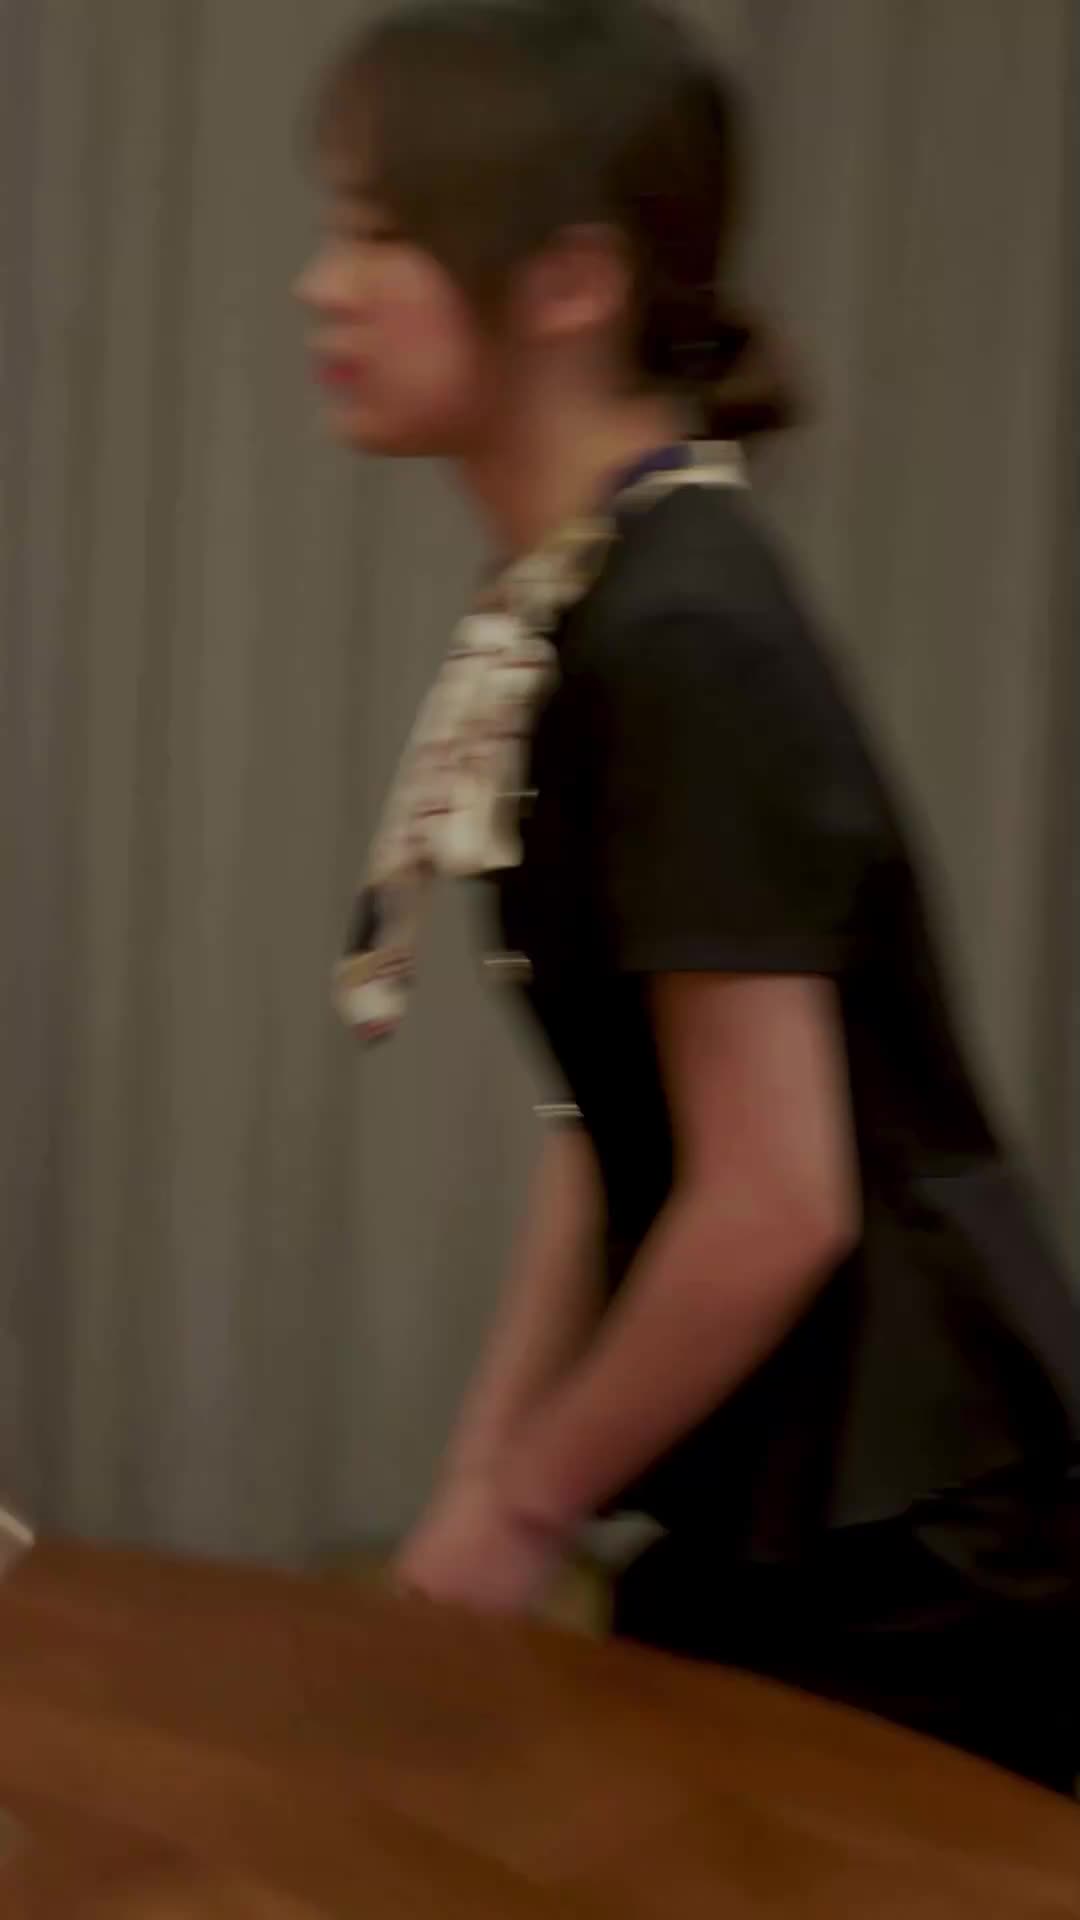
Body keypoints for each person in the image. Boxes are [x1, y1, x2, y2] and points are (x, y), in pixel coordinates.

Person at [296, 0, 1080, 1793]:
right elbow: (617, 1125)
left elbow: (775, 1199)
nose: (323, 290)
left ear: (571, 281)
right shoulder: (609, 599)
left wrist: (528, 1500)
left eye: (378, 233)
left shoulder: (681, 629)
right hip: (803, 1528)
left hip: (920, 1565)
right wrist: (483, 1489)